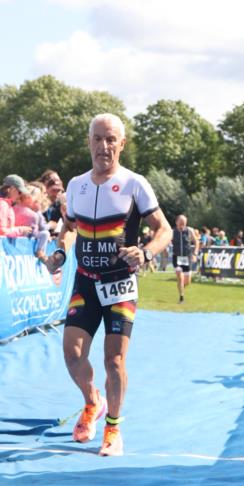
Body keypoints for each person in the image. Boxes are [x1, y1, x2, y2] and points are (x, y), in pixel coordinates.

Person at [56, 113, 172, 457]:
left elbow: (164, 229)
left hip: (120, 283)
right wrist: (59, 255)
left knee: (114, 362)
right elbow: (68, 228)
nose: (103, 146)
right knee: (72, 354)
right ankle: (93, 403)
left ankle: (113, 429)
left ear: (122, 144)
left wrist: (147, 252)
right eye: (97, 139)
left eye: (111, 140)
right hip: (85, 282)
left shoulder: (136, 183)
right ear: (89, 142)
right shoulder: (75, 185)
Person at [172, 213, 198, 303]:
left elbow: (196, 242)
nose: (182, 225)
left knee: (187, 281)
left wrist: (195, 253)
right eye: (181, 223)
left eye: (184, 223)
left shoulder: (190, 230)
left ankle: (181, 287)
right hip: (177, 257)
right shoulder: (172, 232)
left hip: (187, 257)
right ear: (176, 222)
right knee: (180, 277)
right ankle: (181, 297)